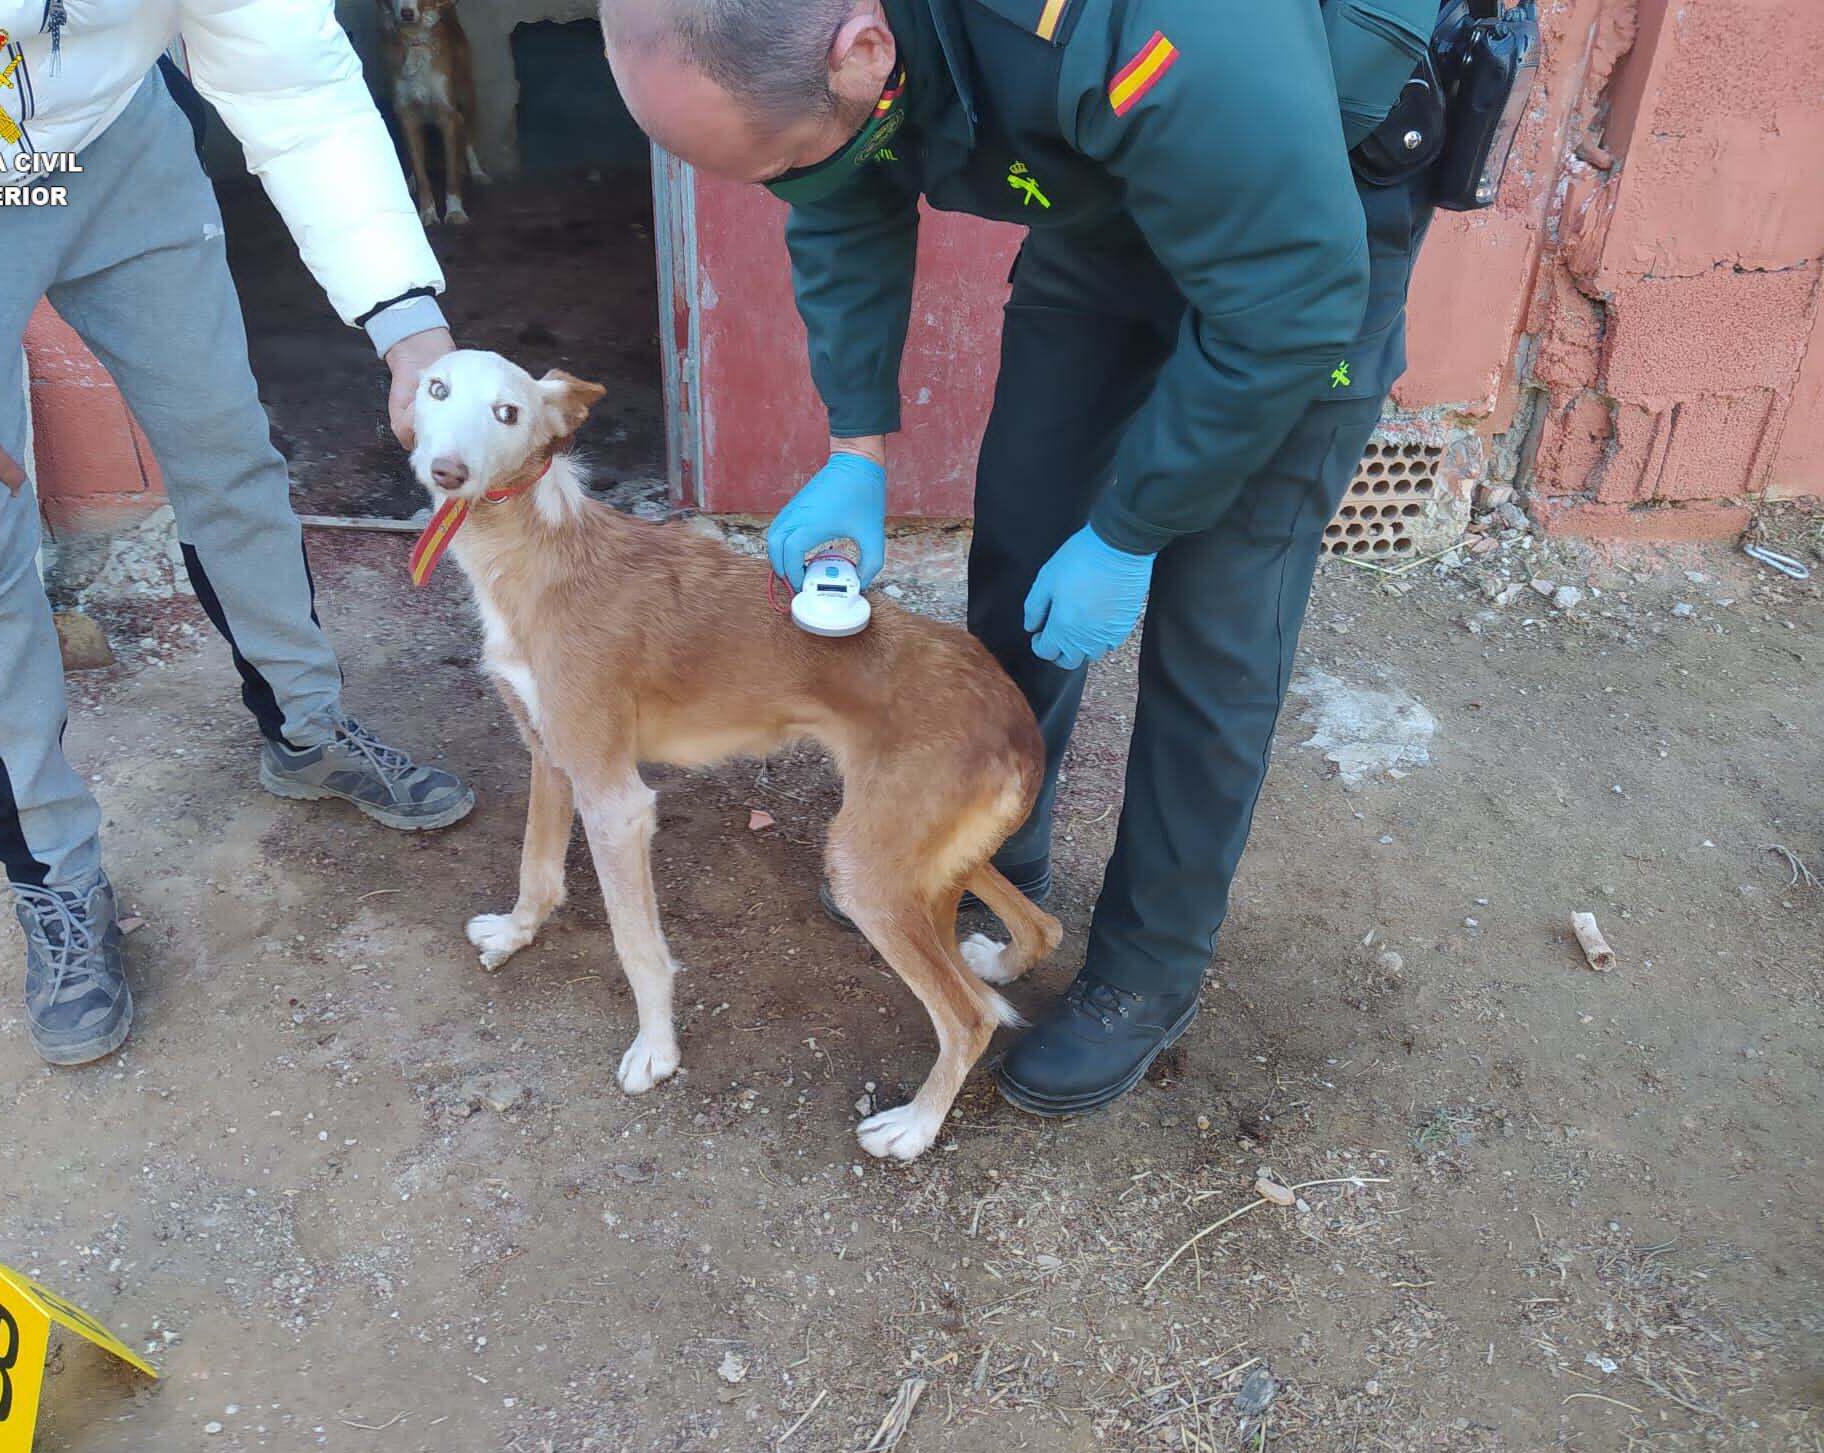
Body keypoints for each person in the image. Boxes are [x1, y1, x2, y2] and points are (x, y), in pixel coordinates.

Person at [602, 0, 1439, 1114]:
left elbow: (1285, 302)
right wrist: (855, 443)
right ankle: (985, 856)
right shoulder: (835, 67)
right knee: (1022, 551)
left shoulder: (1161, 36)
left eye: (789, 155)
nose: (792, 181)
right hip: (1105, 200)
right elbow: (839, 185)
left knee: (1214, 629)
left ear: (861, 48)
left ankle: (1149, 967)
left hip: (1302, 212)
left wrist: (1130, 529)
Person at [0, 4, 473, 1067]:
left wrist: (411, 329)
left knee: (226, 448)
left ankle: (306, 727)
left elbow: (291, 82)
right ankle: (50, 869)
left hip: (116, 145)